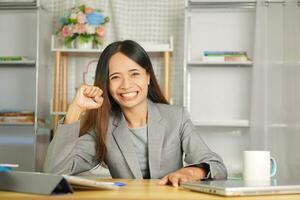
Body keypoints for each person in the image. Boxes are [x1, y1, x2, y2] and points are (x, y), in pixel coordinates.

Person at [44, 40, 227, 187]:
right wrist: (75, 110)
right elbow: (54, 172)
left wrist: (189, 172)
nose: (126, 85)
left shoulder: (176, 117)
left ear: (147, 77)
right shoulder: (102, 126)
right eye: (115, 77)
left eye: (134, 74)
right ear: (106, 84)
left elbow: (216, 166)